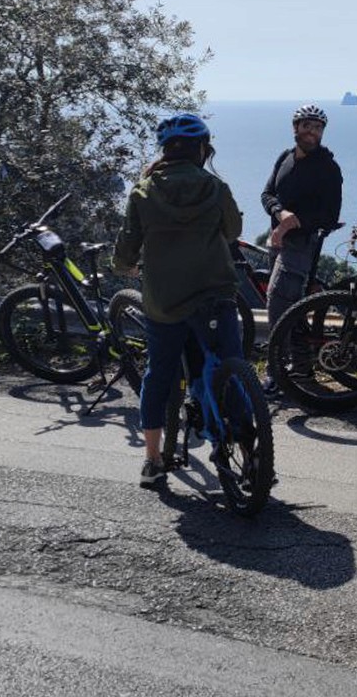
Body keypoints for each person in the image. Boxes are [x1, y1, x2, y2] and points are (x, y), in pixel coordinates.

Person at [113, 113, 244, 488]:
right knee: (230, 366)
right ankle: (249, 448)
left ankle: (153, 461)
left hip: (164, 302)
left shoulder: (143, 191)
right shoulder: (215, 188)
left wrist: (126, 267)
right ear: (202, 149)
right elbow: (233, 231)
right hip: (214, 295)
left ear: (166, 150)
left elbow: (126, 249)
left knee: (158, 374)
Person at [260, 103, 344, 390]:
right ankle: (302, 368)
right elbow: (267, 193)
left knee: (277, 302)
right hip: (278, 240)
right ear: (295, 128)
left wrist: (293, 223)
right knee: (290, 308)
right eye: (307, 125)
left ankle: (275, 371)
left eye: (318, 128)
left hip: (302, 245)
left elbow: (330, 216)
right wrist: (280, 214)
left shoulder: (328, 168)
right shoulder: (285, 157)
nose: (312, 132)